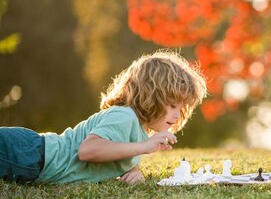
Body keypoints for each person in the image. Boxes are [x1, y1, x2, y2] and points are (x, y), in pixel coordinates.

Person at [0, 50, 207, 184]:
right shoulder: (123, 116)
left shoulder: (138, 130)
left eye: (181, 108)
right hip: (29, 154)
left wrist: (134, 170)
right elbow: (88, 151)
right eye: (172, 105)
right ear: (152, 96)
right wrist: (143, 147)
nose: (177, 114)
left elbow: (116, 155)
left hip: (32, 159)